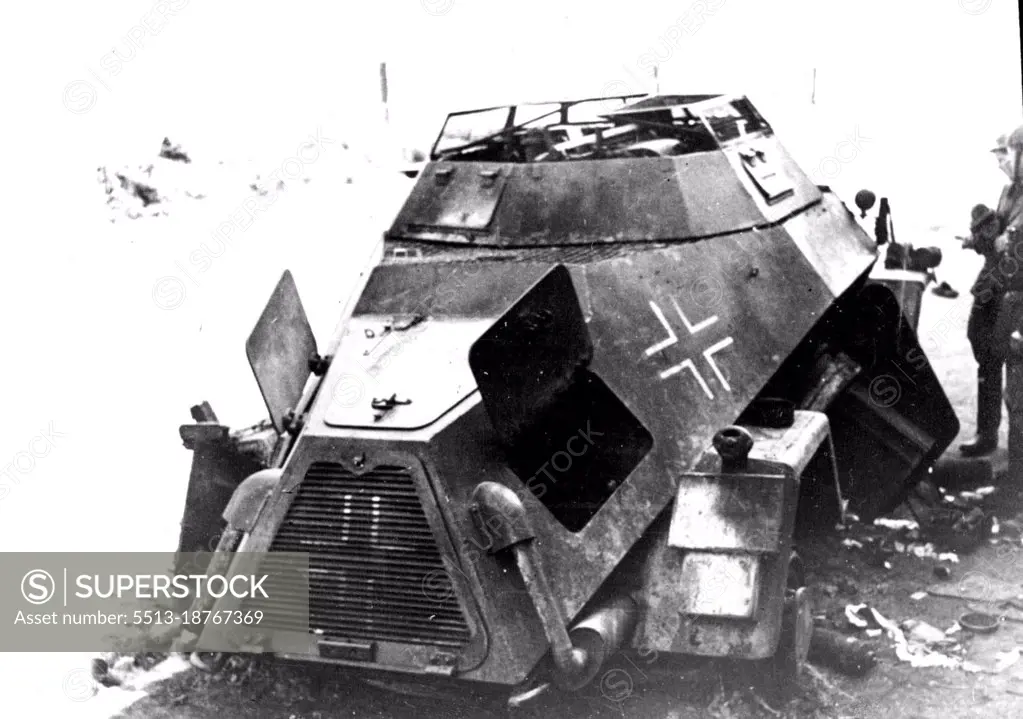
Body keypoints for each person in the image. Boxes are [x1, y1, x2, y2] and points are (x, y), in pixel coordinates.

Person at [960, 125, 1023, 456]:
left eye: (1006, 156)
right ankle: (987, 434)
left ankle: (1014, 459)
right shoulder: (1007, 192)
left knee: (1011, 366)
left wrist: (1002, 244)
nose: (1001, 163)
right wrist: (980, 241)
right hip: (991, 289)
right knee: (983, 350)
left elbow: (1011, 247)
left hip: (1014, 295)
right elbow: (995, 239)